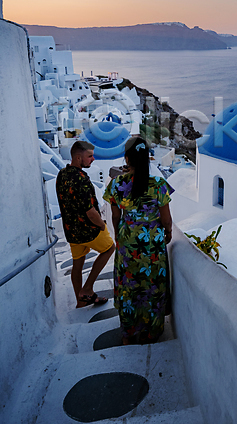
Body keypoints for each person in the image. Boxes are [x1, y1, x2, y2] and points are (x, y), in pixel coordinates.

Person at [103, 136, 173, 345]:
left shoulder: (116, 184)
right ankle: (150, 333)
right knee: (152, 286)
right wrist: (167, 233)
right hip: (152, 243)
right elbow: (166, 219)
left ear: (127, 158)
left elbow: (115, 216)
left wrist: (118, 234)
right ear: (147, 158)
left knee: (129, 286)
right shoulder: (158, 184)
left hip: (128, 240)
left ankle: (128, 333)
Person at [56, 140, 115, 308]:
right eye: (89, 156)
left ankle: (80, 301)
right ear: (77, 157)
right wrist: (102, 226)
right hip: (87, 230)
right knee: (110, 248)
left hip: (71, 231)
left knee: (78, 263)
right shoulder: (81, 178)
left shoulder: (62, 174)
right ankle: (88, 288)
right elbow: (90, 211)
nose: (93, 159)